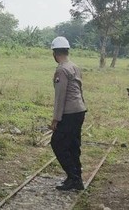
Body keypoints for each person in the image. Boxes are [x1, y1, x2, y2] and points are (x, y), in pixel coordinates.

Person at [49, 36, 87, 191]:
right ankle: (76, 177)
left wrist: (55, 119)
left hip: (69, 112)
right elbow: (79, 88)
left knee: (57, 143)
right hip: (79, 110)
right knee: (73, 144)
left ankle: (74, 178)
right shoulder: (74, 66)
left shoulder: (61, 69)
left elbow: (60, 96)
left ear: (54, 53)